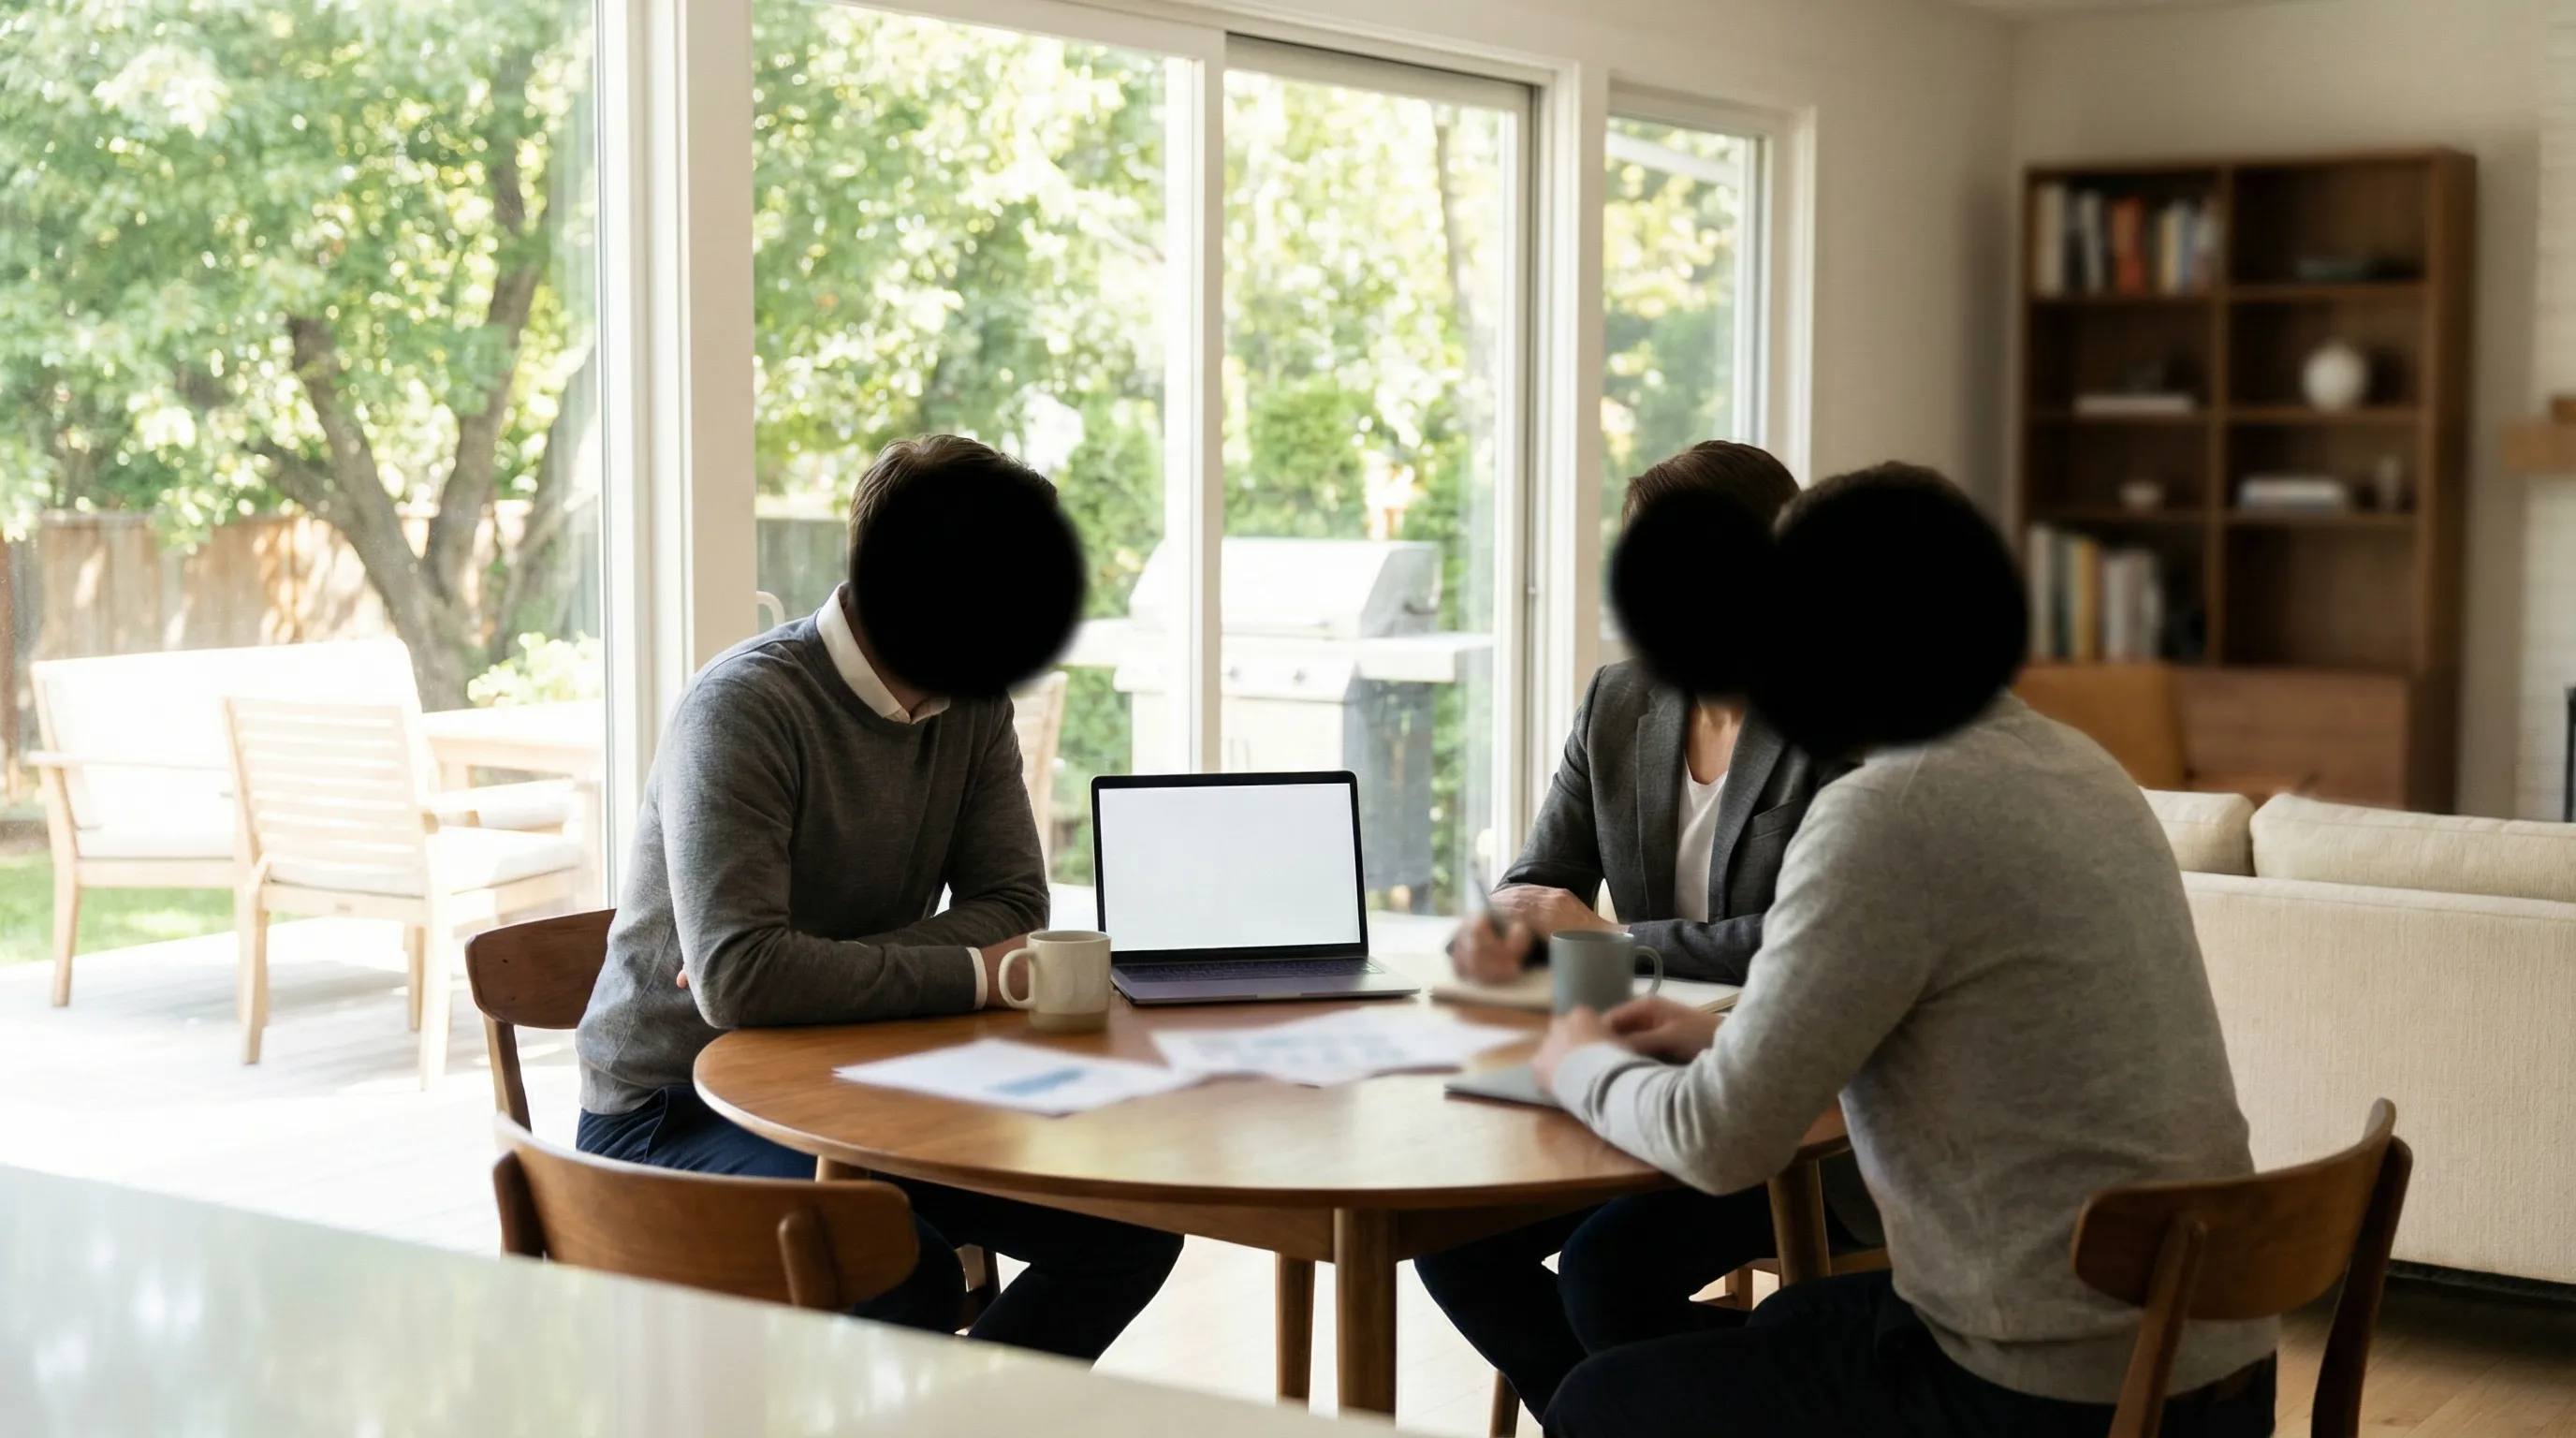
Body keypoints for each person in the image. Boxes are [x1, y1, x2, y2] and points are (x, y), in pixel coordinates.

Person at [1530, 464, 2276, 1438]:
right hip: (2212, 1365)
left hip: (2048, 1392)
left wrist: (1579, 1060)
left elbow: (1722, 1145)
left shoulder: (1886, 816)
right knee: (1791, 1320)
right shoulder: (2080, 766)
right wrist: (1712, 1036)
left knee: (1601, 1404)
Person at [572, 435, 1182, 1361]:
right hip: (670, 1108)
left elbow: (1015, 903)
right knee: (905, 1270)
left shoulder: (973, 704)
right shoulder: (746, 708)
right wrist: (970, 975)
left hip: (870, 1087)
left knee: (1128, 1233)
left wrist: (817, 966)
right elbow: (740, 983)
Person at [1418, 440, 1872, 1420]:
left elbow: (1813, 938)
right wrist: (1515, 927)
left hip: (1799, 1103)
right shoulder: (1619, 701)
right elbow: (1542, 879)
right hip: (1632, 1065)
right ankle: (1616, 1412)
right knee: (1448, 1241)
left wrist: (1615, 943)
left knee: (1603, 1270)